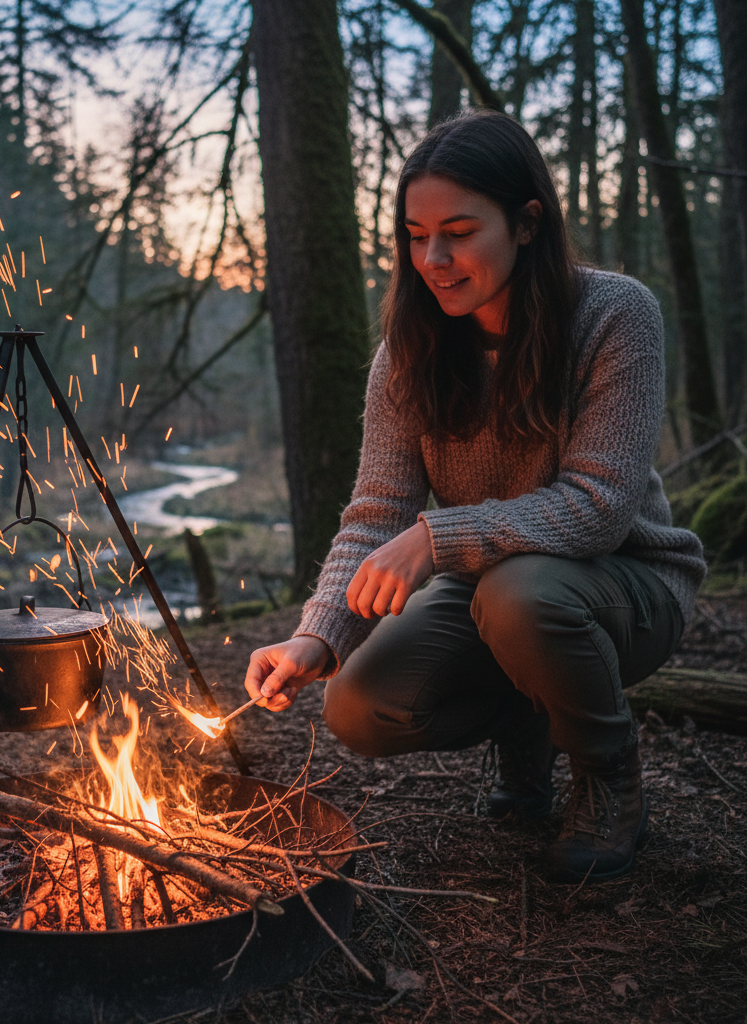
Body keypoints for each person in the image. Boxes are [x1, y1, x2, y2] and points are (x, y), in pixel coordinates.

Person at [243, 110, 706, 883]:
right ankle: (533, 715)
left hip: (625, 585)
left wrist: (434, 538)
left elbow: (600, 506)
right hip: (489, 592)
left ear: (527, 224)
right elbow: (376, 511)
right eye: (416, 234)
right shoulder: (407, 354)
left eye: (458, 231)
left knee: (520, 593)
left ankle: (609, 778)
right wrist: (316, 637)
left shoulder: (616, 315)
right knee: (357, 705)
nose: (435, 257)